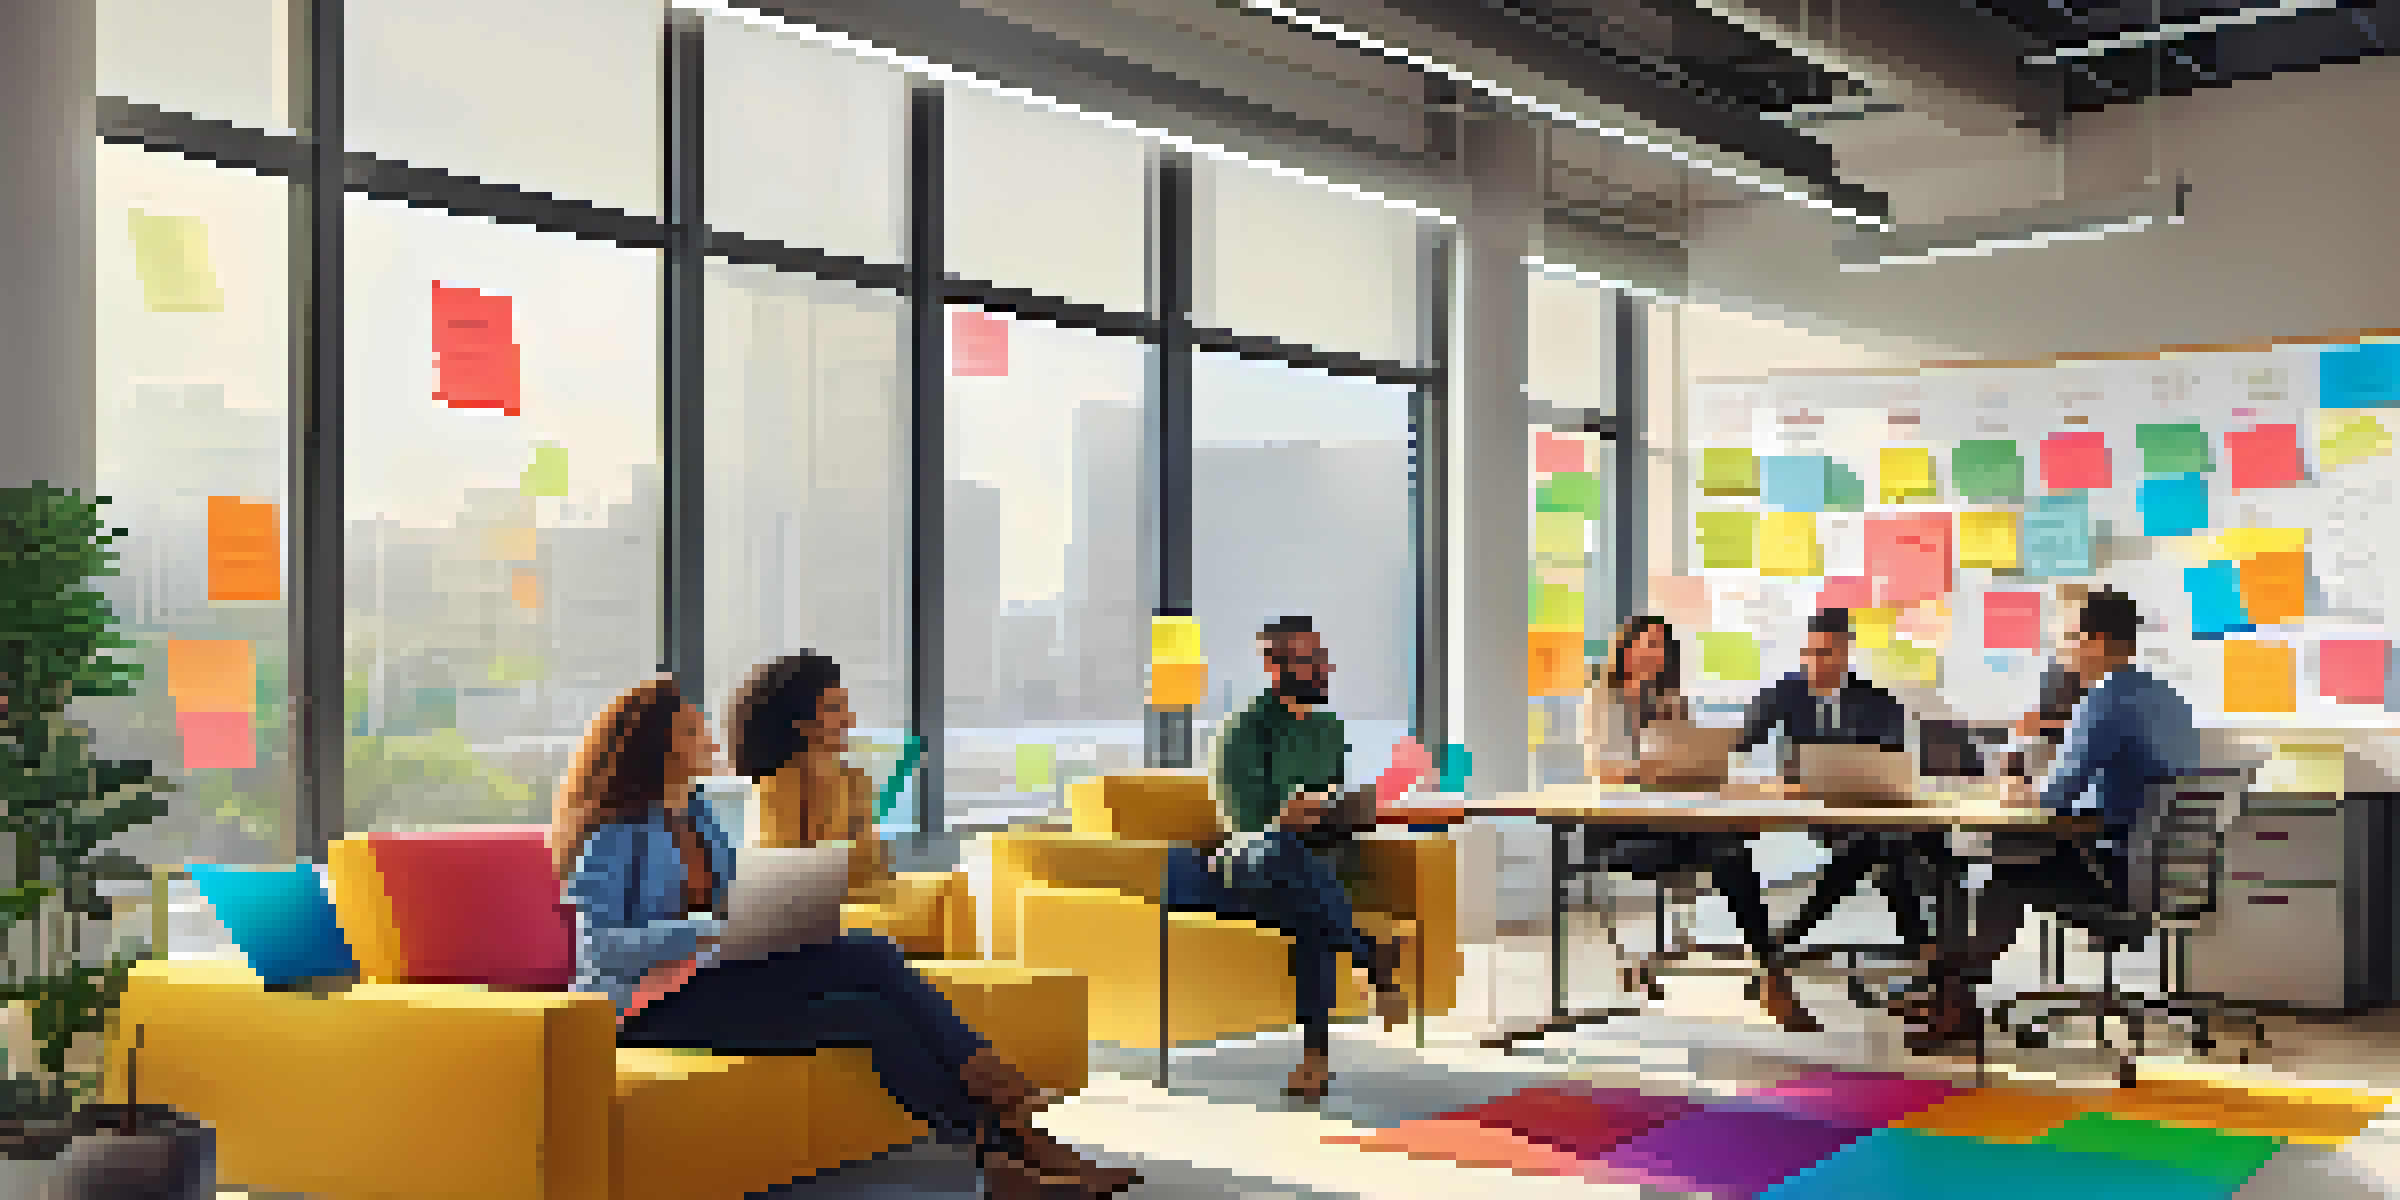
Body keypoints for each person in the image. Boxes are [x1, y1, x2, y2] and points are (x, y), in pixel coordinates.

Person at [556, 674, 1138, 1198]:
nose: (710, 736)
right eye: (693, 728)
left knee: (867, 990)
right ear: (660, 746)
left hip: (714, 980)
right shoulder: (614, 833)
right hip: (644, 1007)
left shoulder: (702, 816)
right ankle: (998, 1103)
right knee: (866, 972)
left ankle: (1006, 1151)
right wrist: (709, 931)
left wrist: (777, 917)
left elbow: (736, 901)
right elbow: (600, 949)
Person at [1912, 588, 2199, 1045]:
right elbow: (2124, 789)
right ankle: (1946, 990)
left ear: (2098, 642)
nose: (2062, 650)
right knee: (2011, 862)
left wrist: (2016, 788)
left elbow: (2054, 799)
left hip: (2117, 872)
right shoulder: (2168, 698)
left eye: (2069, 637)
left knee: (2003, 873)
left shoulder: (2104, 700)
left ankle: (1950, 996)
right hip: (2162, 870)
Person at [1169, 615, 1408, 1102]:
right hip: (1251, 858)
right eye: (1310, 660)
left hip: (1308, 862)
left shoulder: (1329, 728)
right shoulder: (1241, 732)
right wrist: (1286, 817)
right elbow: (1243, 823)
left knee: (1308, 908)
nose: (1324, 669)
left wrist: (1348, 811)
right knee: (1284, 857)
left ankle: (1314, 1064)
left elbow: (1331, 801)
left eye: (1322, 658)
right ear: (1274, 667)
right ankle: (1368, 952)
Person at [1580, 615, 1810, 1032]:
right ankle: (1773, 973)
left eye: (1660, 646)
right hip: (1619, 830)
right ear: (1624, 650)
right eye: (1644, 643)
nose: (1652, 652)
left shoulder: (1671, 699)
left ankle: (1772, 973)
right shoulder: (1604, 699)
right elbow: (1602, 768)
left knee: (1730, 850)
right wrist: (1653, 770)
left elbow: (1686, 765)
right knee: (1728, 848)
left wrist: (1695, 766)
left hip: (1672, 823)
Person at [1731, 609, 1946, 1012]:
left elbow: (1892, 753)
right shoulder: (1786, 691)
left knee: (1882, 847)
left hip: (1867, 807)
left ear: (1845, 653)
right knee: (1886, 849)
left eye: (1825, 653)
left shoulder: (1873, 697)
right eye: (1809, 654)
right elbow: (1742, 745)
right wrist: (1771, 779)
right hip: (1812, 807)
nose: (1815, 663)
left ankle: (1785, 940)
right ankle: (1928, 952)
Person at [729, 651, 892, 904]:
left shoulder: (855, 782)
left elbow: (874, 877)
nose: (848, 721)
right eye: (835, 709)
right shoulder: (776, 787)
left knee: (946, 894)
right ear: (800, 720)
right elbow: (786, 888)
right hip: (807, 920)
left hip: (857, 911)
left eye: (846, 708)